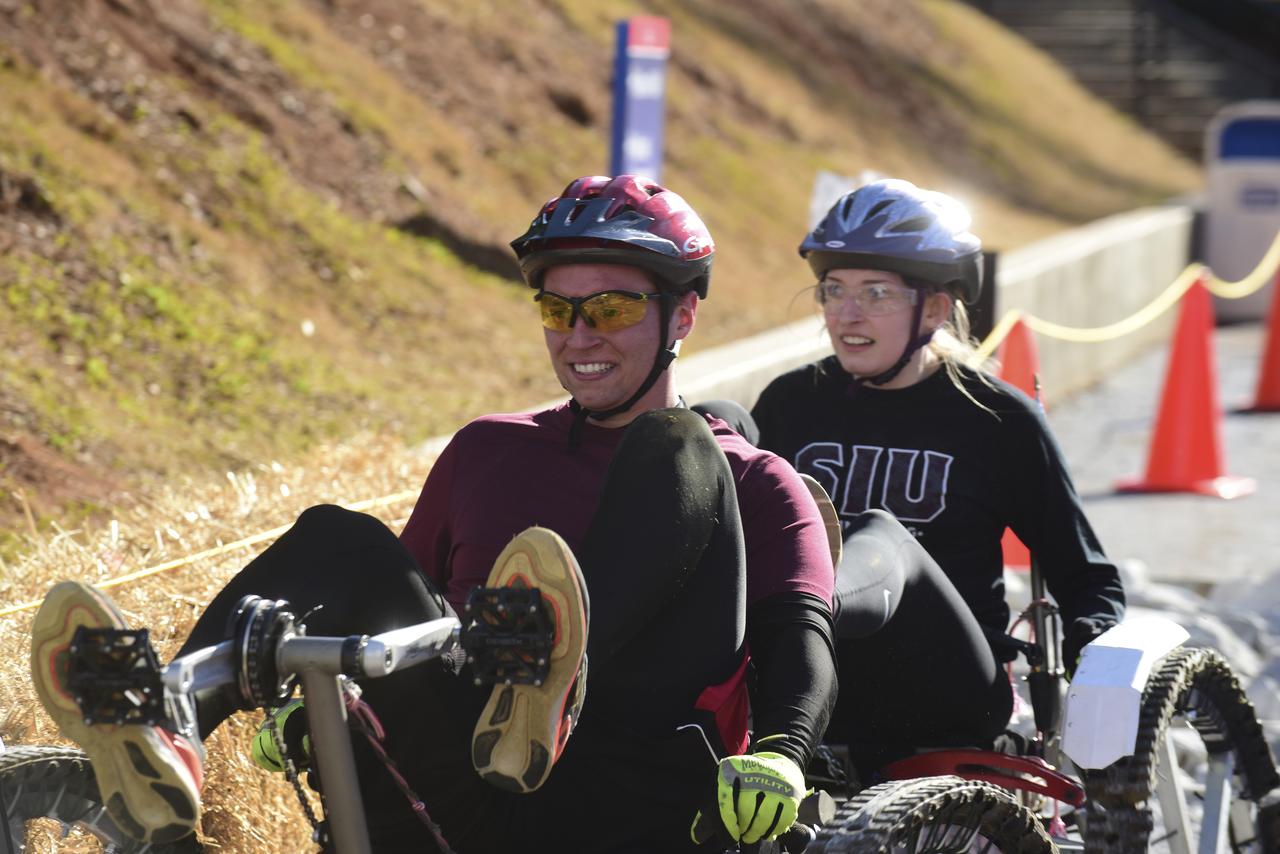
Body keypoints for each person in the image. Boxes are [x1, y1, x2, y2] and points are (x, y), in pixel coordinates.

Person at [31, 174, 838, 853]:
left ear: (683, 318)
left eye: (614, 310)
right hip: (471, 789)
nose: (580, 335)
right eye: (558, 311)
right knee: (337, 538)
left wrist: (784, 753)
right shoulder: (490, 449)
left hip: (628, 804)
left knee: (678, 445)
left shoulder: (755, 479)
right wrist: (312, 699)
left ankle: (556, 669)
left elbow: (801, 645)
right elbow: (397, 614)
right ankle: (167, 719)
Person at [747, 178, 1126, 780]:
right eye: (834, 290)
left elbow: (1087, 578)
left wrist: (1096, 670)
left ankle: (811, 619)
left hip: (943, 691)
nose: (847, 314)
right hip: (808, 683)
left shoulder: (996, 419)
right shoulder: (793, 402)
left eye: (877, 292)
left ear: (936, 308)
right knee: (711, 426)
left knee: (878, 536)